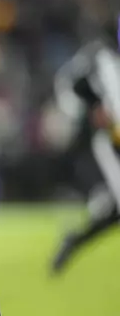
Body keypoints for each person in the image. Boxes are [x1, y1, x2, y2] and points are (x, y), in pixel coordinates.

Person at [51, 38, 120, 274]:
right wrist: (88, 110)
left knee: (115, 209)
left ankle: (75, 241)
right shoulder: (97, 56)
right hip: (110, 140)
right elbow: (66, 83)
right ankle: (75, 240)